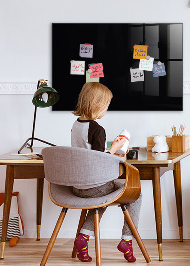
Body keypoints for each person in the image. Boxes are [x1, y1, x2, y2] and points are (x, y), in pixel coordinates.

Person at [71, 82, 141, 263]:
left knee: (101, 197)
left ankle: (83, 238)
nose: (106, 110)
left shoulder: (76, 125)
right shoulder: (97, 129)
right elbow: (99, 161)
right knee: (136, 194)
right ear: (98, 105)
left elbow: (88, 154)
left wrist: (111, 149)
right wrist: (116, 148)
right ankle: (127, 240)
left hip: (77, 186)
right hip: (94, 186)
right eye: (106, 106)